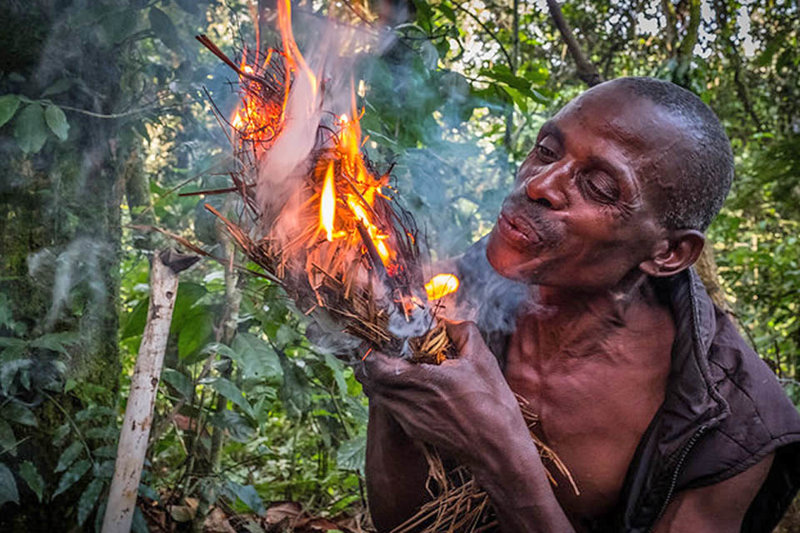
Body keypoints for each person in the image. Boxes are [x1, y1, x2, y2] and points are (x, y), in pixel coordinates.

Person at [357, 77, 800, 532]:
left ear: (668, 253)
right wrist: (395, 379)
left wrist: (503, 458)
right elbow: (404, 523)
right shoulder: (449, 295)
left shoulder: (734, 421)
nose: (540, 184)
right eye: (547, 150)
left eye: (602, 187)